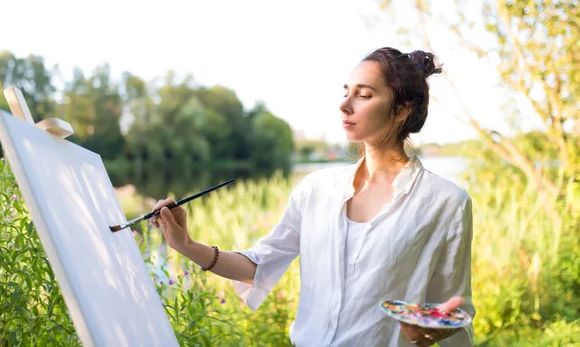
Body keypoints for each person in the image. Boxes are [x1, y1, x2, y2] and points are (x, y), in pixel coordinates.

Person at [152, 47, 475, 346]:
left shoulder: (446, 203)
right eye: (346, 92)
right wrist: (186, 245)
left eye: (364, 95)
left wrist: (430, 335)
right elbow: (259, 265)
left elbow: (451, 313)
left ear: (402, 110)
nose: (345, 104)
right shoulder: (316, 189)